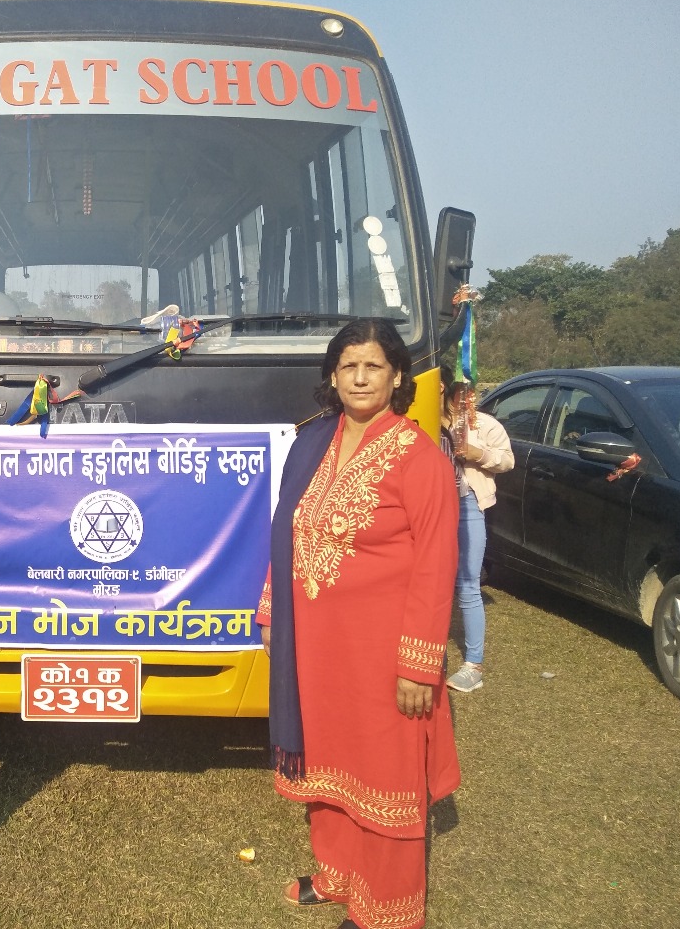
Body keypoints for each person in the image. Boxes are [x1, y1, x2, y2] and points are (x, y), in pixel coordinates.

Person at [258, 318, 460, 929]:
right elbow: (287, 529)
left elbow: (436, 564)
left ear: (397, 377)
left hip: (382, 652)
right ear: (333, 375)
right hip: (317, 647)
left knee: (384, 774)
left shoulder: (418, 457)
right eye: (349, 366)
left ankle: (387, 908)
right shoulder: (313, 443)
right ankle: (338, 875)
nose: (361, 377)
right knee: (328, 765)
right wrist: (270, 610)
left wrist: (418, 664)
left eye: (374, 366)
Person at [441, 367, 515, 693]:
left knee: (467, 582)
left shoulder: (482, 424)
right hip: (429, 506)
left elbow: (507, 460)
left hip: (467, 504)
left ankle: (474, 665)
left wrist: (477, 454)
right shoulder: (420, 421)